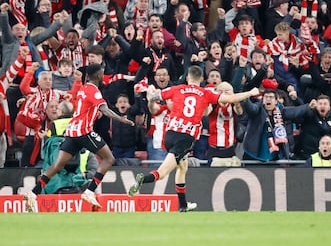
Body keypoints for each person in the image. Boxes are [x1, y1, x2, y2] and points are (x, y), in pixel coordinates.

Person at [127, 65, 259, 212]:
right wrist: (250, 92)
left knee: (183, 167)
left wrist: (149, 90)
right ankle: (142, 179)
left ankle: (183, 205)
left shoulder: (177, 89)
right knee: (163, 173)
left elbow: (153, 97)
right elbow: (231, 98)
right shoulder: (205, 93)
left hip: (170, 134)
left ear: (188, 78)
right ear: (201, 79)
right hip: (185, 137)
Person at [24, 64, 135, 212]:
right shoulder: (93, 90)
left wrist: (95, 113)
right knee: (109, 159)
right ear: (98, 75)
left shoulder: (83, 88)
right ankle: (89, 192)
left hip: (71, 131)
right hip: (84, 131)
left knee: (58, 165)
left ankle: (33, 193)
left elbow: (87, 109)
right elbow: (104, 109)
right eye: (102, 73)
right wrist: (121, 119)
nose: (103, 76)